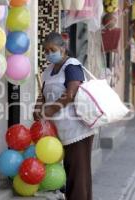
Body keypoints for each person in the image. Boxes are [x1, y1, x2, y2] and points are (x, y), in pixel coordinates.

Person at [33, 32, 96, 200]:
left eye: (52, 50)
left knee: (78, 175)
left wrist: (51, 110)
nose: (48, 54)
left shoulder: (72, 65)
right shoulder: (47, 71)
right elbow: (42, 94)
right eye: (45, 51)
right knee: (68, 172)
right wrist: (38, 108)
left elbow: (71, 93)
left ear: (63, 48)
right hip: (58, 131)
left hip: (77, 130)